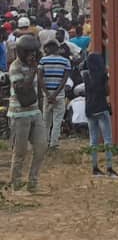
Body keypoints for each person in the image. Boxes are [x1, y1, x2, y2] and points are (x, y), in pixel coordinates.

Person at [9, 35, 46, 194]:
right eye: (29, 52)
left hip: (34, 112)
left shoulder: (35, 66)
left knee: (41, 147)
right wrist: (32, 71)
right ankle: (15, 184)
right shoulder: (15, 67)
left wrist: (40, 110)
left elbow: (38, 90)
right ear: (21, 52)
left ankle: (33, 183)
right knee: (20, 152)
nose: (32, 55)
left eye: (34, 52)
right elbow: (22, 89)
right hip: (19, 114)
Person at [84, 53, 118, 177]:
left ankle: (95, 168)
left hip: (89, 108)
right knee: (107, 139)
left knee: (93, 140)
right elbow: (107, 91)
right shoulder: (103, 75)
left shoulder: (86, 75)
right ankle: (109, 168)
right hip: (101, 107)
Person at [39, 40, 71, 151]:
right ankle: (54, 144)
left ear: (47, 48)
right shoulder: (65, 61)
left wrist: (48, 94)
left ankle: (44, 143)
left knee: (46, 121)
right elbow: (64, 79)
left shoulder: (43, 61)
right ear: (58, 48)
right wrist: (56, 93)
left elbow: (40, 79)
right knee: (57, 121)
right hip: (59, 95)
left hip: (47, 96)